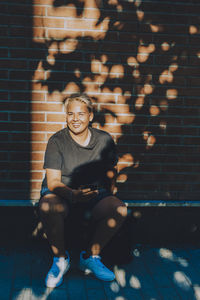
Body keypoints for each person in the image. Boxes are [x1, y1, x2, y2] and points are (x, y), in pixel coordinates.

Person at [39, 93, 127, 288]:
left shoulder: (104, 139)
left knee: (119, 208)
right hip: (62, 194)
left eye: (80, 114)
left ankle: (90, 257)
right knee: (47, 204)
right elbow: (53, 181)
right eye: (71, 114)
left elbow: (111, 170)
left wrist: (110, 193)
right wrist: (72, 194)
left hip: (93, 194)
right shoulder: (57, 141)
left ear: (90, 116)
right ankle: (61, 259)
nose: (75, 119)